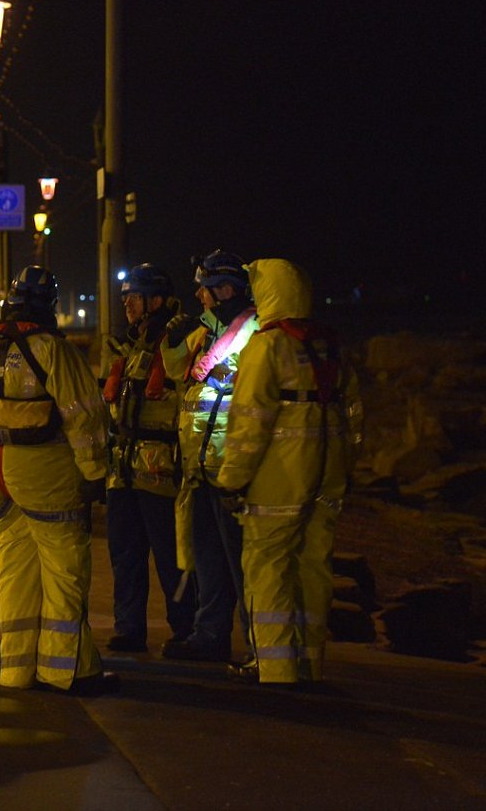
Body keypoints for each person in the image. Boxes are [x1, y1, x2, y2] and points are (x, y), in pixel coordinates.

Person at [0, 265, 117, 695]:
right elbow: (85, 418)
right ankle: (67, 671)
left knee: (13, 572)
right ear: (50, 306)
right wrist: (95, 474)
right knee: (64, 571)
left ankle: (16, 669)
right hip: (46, 476)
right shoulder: (55, 353)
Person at [216, 258, 363, 685]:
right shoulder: (330, 345)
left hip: (279, 479)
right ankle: (309, 661)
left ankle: (275, 667)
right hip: (327, 475)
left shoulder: (266, 347)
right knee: (313, 567)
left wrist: (231, 480)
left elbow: (248, 425)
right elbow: (354, 416)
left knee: (268, 565)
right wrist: (345, 467)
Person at [159, 250, 259, 662]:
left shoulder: (252, 331)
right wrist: (172, 338)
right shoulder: (207, 330)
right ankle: (210, 635)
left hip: (231, 468)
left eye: (204, 288)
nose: (197, 296)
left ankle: (258, 644)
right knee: (208, 559)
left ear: (225, 290)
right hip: (201, 467)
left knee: (242, 564)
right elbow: (176, 370)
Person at [103, 264, 196, 653]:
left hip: (159, 468)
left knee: (170, 555)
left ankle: (186, 630)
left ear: (155, 301)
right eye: (125, 297)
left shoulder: (178, 340)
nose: (127, 303)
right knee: (124, 555)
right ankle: (129, 630)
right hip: (124, 469)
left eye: (134, 297)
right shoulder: (131, 344)